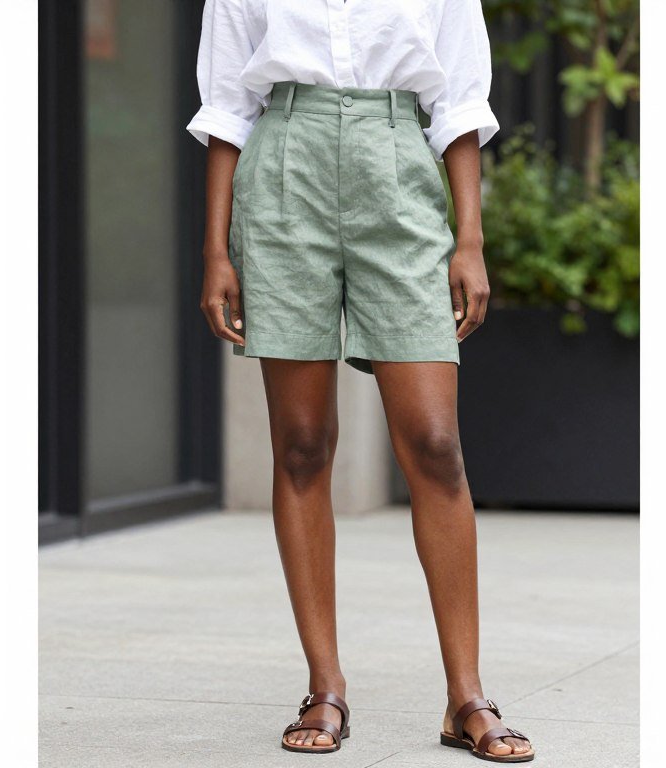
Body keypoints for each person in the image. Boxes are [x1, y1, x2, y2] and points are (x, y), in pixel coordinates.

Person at [186, 0, 534, 762]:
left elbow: (459, 103)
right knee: (304, 445)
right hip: (283, 173)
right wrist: (216, 250)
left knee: (435, 444)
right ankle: (325, 685)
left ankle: (467, 696)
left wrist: (469, 239)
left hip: (398, 168)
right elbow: (227, 106)